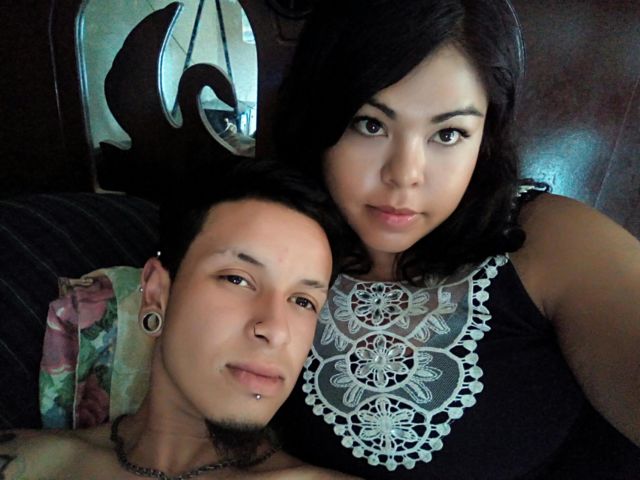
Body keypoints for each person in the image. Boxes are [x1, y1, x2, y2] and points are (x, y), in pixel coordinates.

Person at [272, 0, 640, 478]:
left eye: (447, 134)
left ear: (485, 135)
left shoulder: (555, 241)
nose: (405, 175)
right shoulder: (260, 239)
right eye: (370, 124)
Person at [0, 159, 359, 479]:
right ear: (157, 293)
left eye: (303, 301)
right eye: (237, 279)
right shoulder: (29, 462)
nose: (277, 330)